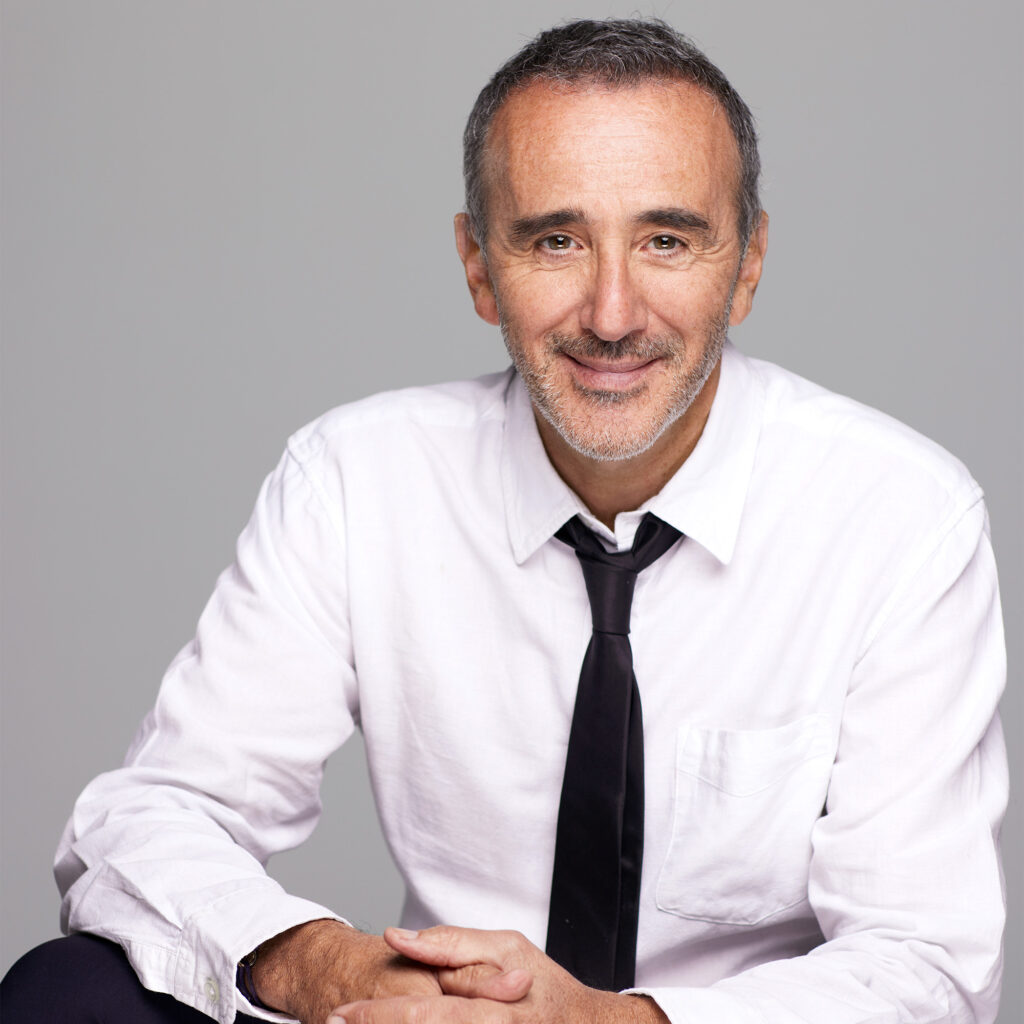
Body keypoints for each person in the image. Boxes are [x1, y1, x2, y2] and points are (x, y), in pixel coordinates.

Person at [1, 17, 1006, 1024]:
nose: (611, 314)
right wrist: (342, 973)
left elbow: (927, 964)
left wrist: (600, 1023)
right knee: (68, 991)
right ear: (479, 265)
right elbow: (147, 820)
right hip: (431, 1018)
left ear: (745, 264)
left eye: (666, 240)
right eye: (555, 240)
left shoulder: (900, 520)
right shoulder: (357, 481)